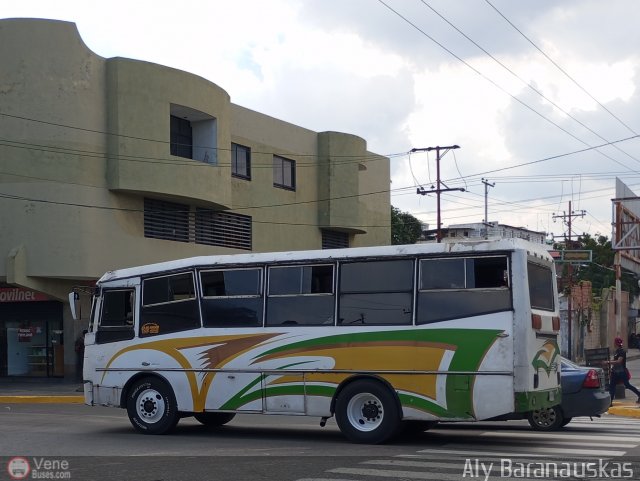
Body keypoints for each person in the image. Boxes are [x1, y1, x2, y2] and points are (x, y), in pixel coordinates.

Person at [607, 336, 640, 404]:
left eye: (614, 342)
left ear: (616, 343)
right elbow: (615, 361)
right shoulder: (617, 351)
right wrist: (611, 366)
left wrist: (608, 362)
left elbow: (619, 361)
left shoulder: (622, 351)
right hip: (615, 372)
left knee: (627, 385)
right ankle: (610, 402)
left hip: (621, 372)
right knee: (612, 386)